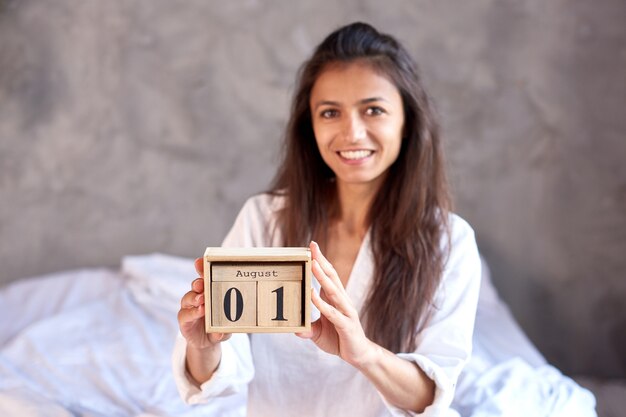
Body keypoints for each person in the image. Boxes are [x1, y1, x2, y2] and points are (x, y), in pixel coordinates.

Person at [174, 22, 481, 417]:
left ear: (407, 123)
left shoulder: (450, 241)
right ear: (311, 127)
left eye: (373, 110)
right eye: (330, 112)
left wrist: (362, 352)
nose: (352, 133)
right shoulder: (263, 220)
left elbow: (431, 395)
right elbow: (216, 374)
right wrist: (205, 346)